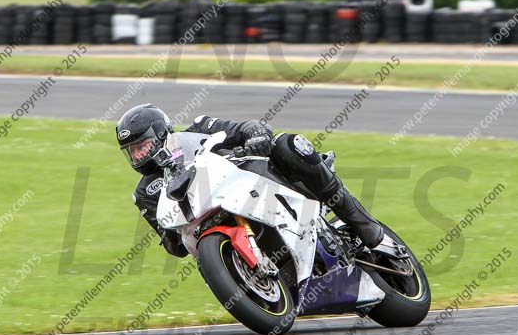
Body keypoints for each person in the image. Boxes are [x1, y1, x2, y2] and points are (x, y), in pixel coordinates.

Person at [116, 104, 384, 258]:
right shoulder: (145, 194)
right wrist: (170, 233)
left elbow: (243, 128)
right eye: (133, 150)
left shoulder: (199, 128)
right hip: (212, 221)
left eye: (143, 144)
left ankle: (361, 221)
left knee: (288, 144)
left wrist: (255, 135)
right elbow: (175, 249)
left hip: (256, 184)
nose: (139, 154)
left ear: (161, 132)